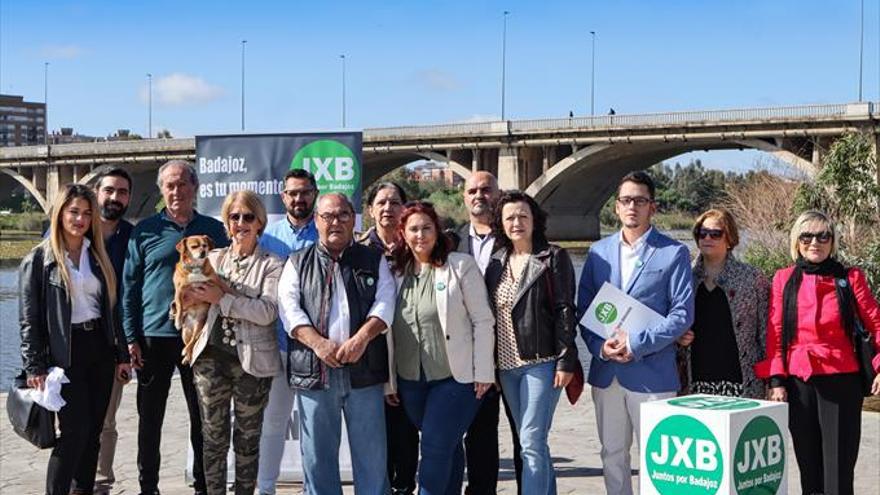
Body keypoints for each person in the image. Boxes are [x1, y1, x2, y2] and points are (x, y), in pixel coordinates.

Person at [577, 171, 694, 495]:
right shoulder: (598, 252)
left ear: (652, 207)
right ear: (616, 207)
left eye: (640, 201)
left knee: (658, 460)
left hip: (653, 374)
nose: (633, 207)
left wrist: (636, 343)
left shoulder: (674, 253)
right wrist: (601, 348)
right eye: (626, 200)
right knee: (612, 455)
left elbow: (682, 314)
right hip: (607, 372)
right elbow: (584, 310)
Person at [278, 192, 396, 495]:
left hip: (364, 371)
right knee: (317, 460)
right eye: (328, 216)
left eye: (343, 215)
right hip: (316, 374)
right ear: (316, 220)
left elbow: (385, 303)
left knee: (372, 458)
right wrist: (317, 343)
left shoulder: (373, 258)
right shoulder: (297, 263)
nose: (336, 222)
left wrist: (362, 338)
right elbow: (288, 309)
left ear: (353, 219)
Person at [122, 160, 228, 495]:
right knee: (150, 419)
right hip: (154, 336)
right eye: (169, 185)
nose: (176, 191)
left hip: (200, 338)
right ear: (161, 190)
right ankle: (148, 487)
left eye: (182, 184)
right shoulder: (146, 230)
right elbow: (129, 286)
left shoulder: (214, 229)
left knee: (203, 417)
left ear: (194, 187)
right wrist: (130, 336)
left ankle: (202, 485)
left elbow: (229, 276)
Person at [756, 210, 880, 495]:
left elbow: (876, 322)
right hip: (799, 384)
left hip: (841, 381)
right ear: (796, 241)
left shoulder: (851, 278)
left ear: (832, 241)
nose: (815, 242)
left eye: (823, 236)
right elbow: (776, 333)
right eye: (807, 236)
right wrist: (776, 380)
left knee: (837, 472)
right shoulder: (783, 279)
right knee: (809, 469)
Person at [19, 183, 131, 495]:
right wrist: (34, 367)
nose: (80, 219)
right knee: (73, 432)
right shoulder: (40, 260)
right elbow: (29, 319)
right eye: (73, 212)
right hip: (64, 355)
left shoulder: (97, 255)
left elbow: (111, 309)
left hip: (100, 349)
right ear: (60, 214)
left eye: (86, 213)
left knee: (94, 431)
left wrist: (122, 354)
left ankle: (82, 490)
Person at [388, 201, 496, 495]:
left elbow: (483, 321)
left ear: (437, 231)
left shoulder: (460, 266)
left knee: (434, 449)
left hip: (455, 378)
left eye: (426, 228)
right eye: (413, 229)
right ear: (403, 233)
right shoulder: (394, 273)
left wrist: (484, 371)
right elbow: (386, 330)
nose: (420, 235)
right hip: (411, 380)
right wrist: (390, 381)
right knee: (447, 445)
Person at [188, 191, 283, 495]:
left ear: (260, 223)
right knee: (212, 438)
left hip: (251, 364)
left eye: (248, 217)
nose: (240, 223)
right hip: (210, 361)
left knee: (247, 440)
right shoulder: (212, 258)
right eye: (234, 216)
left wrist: (222, 299)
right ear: (226, 223)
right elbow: (187, 296)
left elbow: (267, 311)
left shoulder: (272, 264)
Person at [485, 191, 578, 494]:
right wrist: (490, 366)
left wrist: (566, 360)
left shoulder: (553, 257)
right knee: (533, 442)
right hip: (507, 367)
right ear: (500, 222)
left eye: (523, 215)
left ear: (534, 219)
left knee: (530, 440)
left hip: (541, 362)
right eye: (509, 217)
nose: (517, 222)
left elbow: (565, 310)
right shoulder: (497, 262)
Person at [453, 170, 522, 494]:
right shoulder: (450, 241)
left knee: (526, 437)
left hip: (514, 353)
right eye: (472, 191)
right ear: (464, 198)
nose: (479, 196)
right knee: (479, 436)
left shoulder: (517, 238)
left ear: (498, 195)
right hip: (470, 356)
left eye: (486, 190)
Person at [256, 168, 319, 495]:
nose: (299, 198)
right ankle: (265, 488)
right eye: (293, 193)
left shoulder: (327, 231)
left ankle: (314, 487)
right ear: (283, 197)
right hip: (277, 343)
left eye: (305, 192)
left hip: (316, 347)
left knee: (315, 426)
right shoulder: (269, 237)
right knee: (274, 423)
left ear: (315, 194)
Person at [358, 181, 420, 495]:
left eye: (394, 202)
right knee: (376, 436)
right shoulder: (358, 252)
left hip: (412, 354)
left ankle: (405, 486)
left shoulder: (418, 248)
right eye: (381, 202)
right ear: (370, 210)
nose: (387, 209)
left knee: (407, 434)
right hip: (373, 358)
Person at [677, 208, 769, 399]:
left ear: (730, 239)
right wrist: (678, 337)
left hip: (742, 379)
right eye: (702, 233)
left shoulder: (752, 277)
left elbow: (766, 333)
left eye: (715, 233)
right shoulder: (685, 276)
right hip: (696, 379)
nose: (707, 238)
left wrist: (773, 380)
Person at [89, 167, 135, 495]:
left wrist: (128, 347)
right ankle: (74, 482)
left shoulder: (133, 238)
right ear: (96, 192)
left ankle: (101, 484)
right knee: (71, 422)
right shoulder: (73, 230)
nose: (114, 198)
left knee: (106, 422)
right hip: (73, 344)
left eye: (122, 192)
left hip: (112, 346)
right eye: (109, 191)